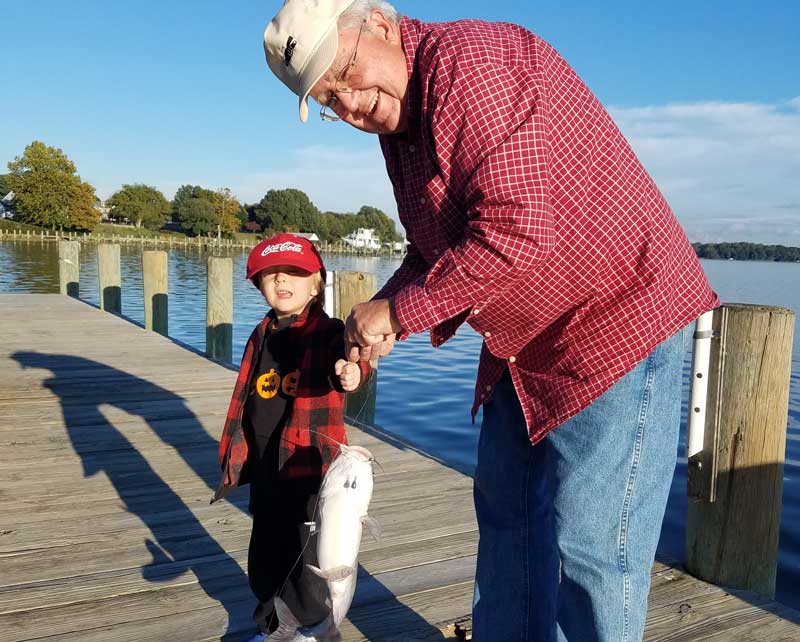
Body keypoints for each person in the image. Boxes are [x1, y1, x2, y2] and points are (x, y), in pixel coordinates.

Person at [262, 2, 720, 640]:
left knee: (594, 550)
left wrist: (398, 310)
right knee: (506, 517)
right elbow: (432, 249)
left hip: (617, 319)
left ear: (378, 23)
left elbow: (512, 234)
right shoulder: (401, 131)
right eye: (331, 99)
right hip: (526, 339)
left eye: (347, 72)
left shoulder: (472, 66)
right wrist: (380, 321)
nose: (352, 104)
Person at [211, 233, 370, 641]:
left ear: (316, 283)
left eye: (294, 273)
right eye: (271, 275)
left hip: (309, 468)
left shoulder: (330, 331)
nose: (282, 281)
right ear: (259, 284)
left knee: (308, 558)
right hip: (265, 465)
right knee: (265, 555)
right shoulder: (260, 333)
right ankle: (272, 626)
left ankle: (316, 628)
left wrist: (352, 373)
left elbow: (354, 360)